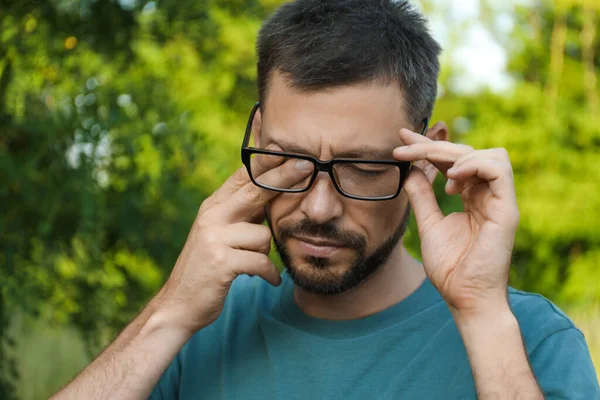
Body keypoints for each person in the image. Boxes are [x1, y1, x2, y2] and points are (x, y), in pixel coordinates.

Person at [52, 1, 599, 399]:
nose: (318, 208)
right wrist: (167, 314)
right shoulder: (198, 326)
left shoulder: (529, 339)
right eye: (290, 160)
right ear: (261, 138)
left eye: (361, 168)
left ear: (427, 156)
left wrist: (481, 314)